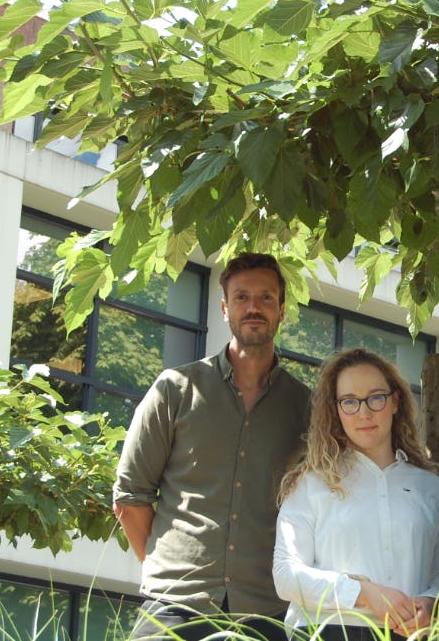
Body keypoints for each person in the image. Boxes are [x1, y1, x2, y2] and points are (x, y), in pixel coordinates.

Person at [113, 252, 312, 640]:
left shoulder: (307, 408)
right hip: (172, 608)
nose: (253, 307)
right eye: (241, 297)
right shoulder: (174, 390)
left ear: (282, 310)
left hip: (266, 613)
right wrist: (172, 572)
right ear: (224, 308)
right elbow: (130, 497)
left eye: (266, 298)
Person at [273, 348, 439, 641]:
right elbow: (286, 575)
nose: (364, 412)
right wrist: (363, 593)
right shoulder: (311, 483)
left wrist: (431, 603)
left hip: (409, 634)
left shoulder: (431, 488)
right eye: (349, 401)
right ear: (336, 410)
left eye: (376, 397)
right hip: (326, 630)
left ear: (395, 401)